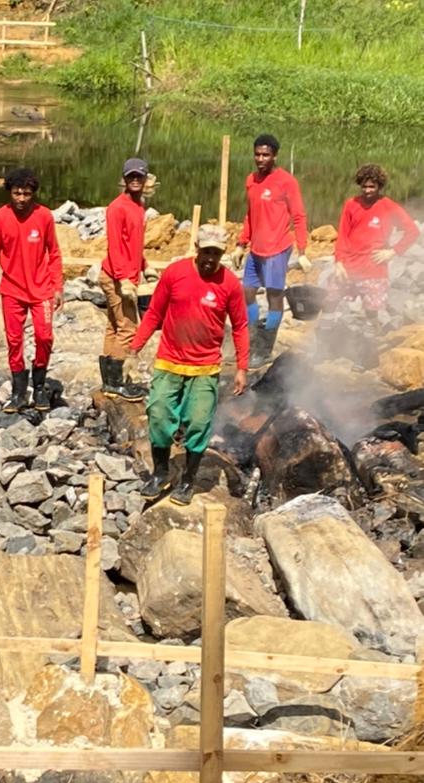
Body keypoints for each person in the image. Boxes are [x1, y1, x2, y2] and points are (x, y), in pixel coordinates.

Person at [128, 224, 249, 506]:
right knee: (158, 413)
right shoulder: (175, 273)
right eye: (206, 251)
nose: (210, 258)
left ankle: (188, 480)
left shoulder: (229, 283)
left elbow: (241, 326)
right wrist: (134, 349)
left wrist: (242, 367)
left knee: (198, 422)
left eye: (215, 254)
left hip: (205, 368)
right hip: (169, 360)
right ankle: (160, 473)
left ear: (222, 254)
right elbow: (154, 313)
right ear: (197, 248)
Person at [0, 166, 63, 413]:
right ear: (10, 192)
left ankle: (39, 385)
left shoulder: (44, 216)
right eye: (17, 193)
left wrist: (57, 286)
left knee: (44, 336)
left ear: (33, 194)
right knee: (14, 340)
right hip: (11, 290)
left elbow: (55, 253)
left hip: (42, 290)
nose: (21, 199)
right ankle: (18, 391)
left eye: (26, 194)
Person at [231, 134, 309, 369]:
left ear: (275, 155)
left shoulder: (286, 182)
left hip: (277, 249)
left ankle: (264, 349)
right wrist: (241, 244)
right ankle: (253, 339)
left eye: (266, 155)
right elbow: (250, 214)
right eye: (257, 154)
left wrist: (303, 251)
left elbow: (299, 216)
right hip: (256, 249)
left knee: (274, 296)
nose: (261, 159)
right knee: (247, 292)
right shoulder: (251, 180)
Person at [98, 157, 158, 403]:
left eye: (139, 176)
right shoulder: (117, 207)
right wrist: (123, 278)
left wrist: (146, 266)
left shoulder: (138, 206)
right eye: (130, 176)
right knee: (128, 329)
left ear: (146, 179)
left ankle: (111, 382)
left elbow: (130, 244)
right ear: (123, 179)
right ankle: (119, 382)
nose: (135, 180)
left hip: (127, 275)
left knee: (114, 327)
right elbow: (115, 246)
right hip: (115, 277)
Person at [326, 164, 419, 318]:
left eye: (372, 187)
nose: (368, 190)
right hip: (349, 266)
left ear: (379, 186)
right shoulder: (351, 204)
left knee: (371, 313)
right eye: (364, 186)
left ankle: (370, 338)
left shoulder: (388, 206)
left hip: (374, 270)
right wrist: (338, 262)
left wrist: (393, 251)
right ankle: (326, 334)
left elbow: (412, 231)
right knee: (329, 302)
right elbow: (343, 235)